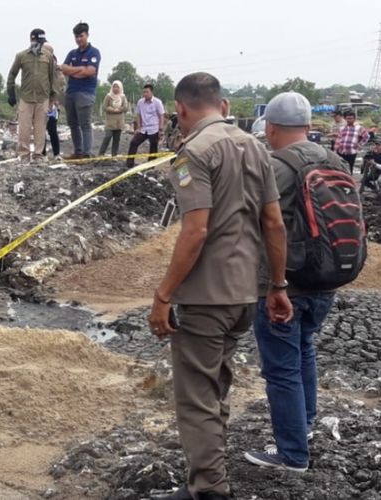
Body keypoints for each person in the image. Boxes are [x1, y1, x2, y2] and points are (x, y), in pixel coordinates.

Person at [148, 72, 292, 500]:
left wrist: (162, 295)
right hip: (246, 292)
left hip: (207, 297)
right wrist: (279, 286)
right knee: (216, 389)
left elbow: (195, 231)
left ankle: (209, 489)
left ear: (182, 110)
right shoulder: (256, 148)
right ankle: (207, 477)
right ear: (224, 106)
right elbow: (274, 223)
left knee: (196, 398)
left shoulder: (191, 154)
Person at [243, 91, 347, 474]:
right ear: (307, 125)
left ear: (269, 127)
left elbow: (261, 222)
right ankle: (303, 428)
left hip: (285, 285)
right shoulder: (334, 160)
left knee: (281, 368)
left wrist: (275, 285)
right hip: (327, 278)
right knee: (304, 350)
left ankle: (292, 454)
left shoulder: (274, 166)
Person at [7, 28, 56, 163]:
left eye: (42, 42)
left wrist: (52, 98)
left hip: (42, 98)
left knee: (40, 129)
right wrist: (10, 92)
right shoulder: (21, 56)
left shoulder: (48, 57)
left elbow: (52, 78)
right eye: (38, 41)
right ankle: (24, 155)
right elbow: (12, 74)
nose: (40, 44)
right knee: (24, 128)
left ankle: (38, 155)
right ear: (32, 40)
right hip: (26, 98)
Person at [60, 22, 101, 159]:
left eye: (81, 36)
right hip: (71, 91)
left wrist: (73, 70)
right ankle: (77, 152)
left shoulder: (93, 52)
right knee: (73, 124)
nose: (79, 39)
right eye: (76, 37)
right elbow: (63, 68)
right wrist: (79, 69)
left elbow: (90, 71)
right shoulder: (72, 53)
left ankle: (86, 153)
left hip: (86, 93)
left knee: (85, 124)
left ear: (87, 35)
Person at [126, 84, 165, 167]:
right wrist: (138, 127)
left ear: (152, 92)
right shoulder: (140, 102)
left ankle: (151, 166)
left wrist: (160, 129)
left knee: (153, 147)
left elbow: (161, 115)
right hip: (143, 129)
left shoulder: (157, 102)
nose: (145, 94)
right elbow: (138, 115)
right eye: (144, 92)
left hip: (154, 128)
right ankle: (129, 163)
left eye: (147, 92)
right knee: (133, 142)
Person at [42, 42, 65, 159]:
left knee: (52, 129)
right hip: (40, 102)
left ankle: (56, 154)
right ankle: (42, 155)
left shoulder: (56, 68)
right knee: (40, 130)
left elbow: (61, 84)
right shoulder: (39, 65)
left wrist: (54, 99)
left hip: (53, 104)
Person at [334, 109, 369, 174]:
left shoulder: (359, 128)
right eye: (347, 118)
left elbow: (366, 136)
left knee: (349, 169)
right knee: (340, 169)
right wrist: (335, 150)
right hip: (341, 151)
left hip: (351, 152)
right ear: (345, 119)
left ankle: (349, 181)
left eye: (351, 118)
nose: (349, 120)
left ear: (354, 119)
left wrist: (360, 144)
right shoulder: (342, 128)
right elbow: (338, 139)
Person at [98, 80, 128, 157]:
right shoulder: (108, 96)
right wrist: (112, 109)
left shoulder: (123, 97)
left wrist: (119, 109)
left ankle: (114, 155)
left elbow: (125, 107)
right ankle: (101, 153)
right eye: (114, 86)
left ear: (120, 88)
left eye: (117, 87)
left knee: (116, 139)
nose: (115, 88)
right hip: (110, 122)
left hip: (119, 122)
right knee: (107, 137)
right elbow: (104, 106)